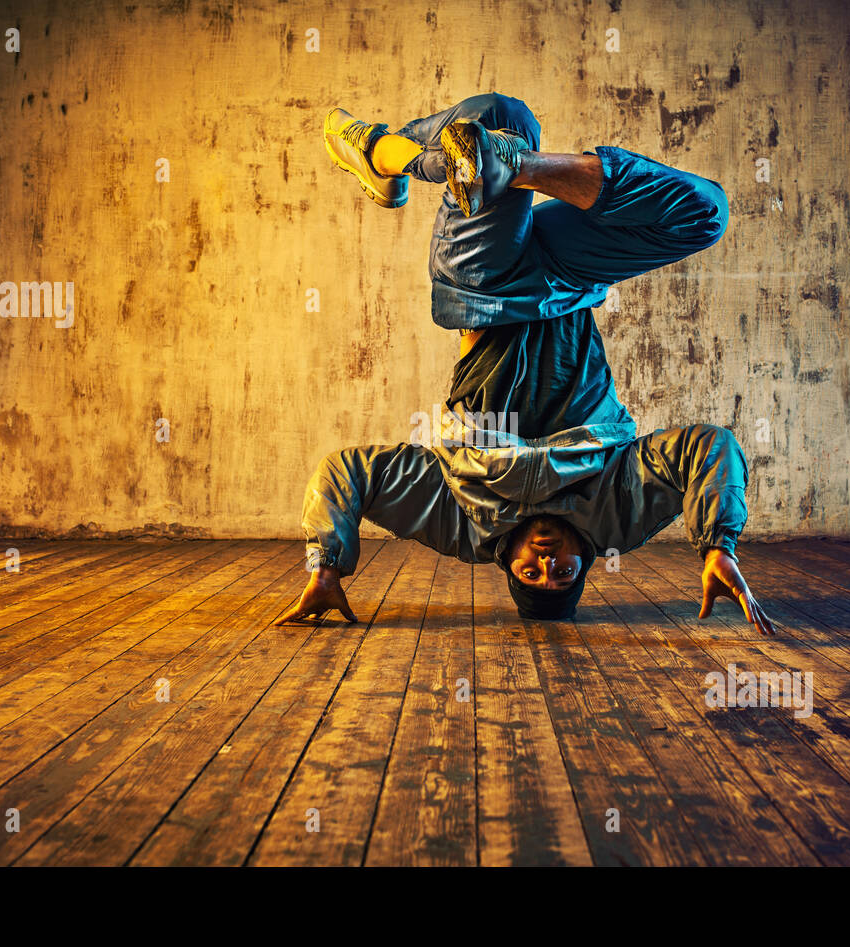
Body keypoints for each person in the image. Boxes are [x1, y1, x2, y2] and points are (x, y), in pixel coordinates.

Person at [280, 92, 774, 635]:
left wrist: (324, 566)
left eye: (530, 574)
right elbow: (711, 448)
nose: (544, 560)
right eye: (561, 573)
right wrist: (718, 546)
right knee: (704, 215)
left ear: (507, 567)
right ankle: (512, 166)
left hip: (485, 290)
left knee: (501, 117)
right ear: (583, 563)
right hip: (571, 278)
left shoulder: (461, 526)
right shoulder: (617, 515)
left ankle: (381, 152)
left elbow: (345, 472)